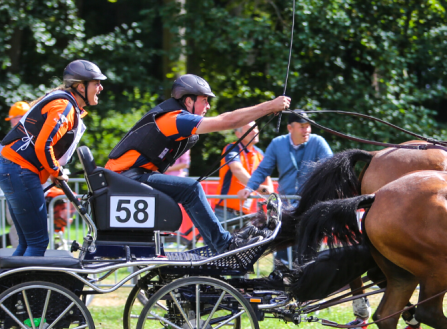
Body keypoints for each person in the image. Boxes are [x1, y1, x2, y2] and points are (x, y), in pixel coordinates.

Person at [105, 74, 291, 254]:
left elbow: (227, 117)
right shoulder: (174, 119)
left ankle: (218, 247)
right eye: (205, 100)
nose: (208, 106)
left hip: (126, 178)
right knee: (191, 189)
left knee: (189, 190)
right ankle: (224, 246)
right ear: (188, 101)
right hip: (123, 179)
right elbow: (227, 120)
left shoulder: (175, 118)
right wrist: (269, 106)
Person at [0, 59, 106, 256]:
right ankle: (29, 287)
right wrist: (56, 171)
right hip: (19, 170)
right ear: (81, 87)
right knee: (38, 243)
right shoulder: (64, 106)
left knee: (26, 243)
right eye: (96, 83)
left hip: (13, 168)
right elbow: (43, 145)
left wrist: (52, 171)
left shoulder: (66, 104)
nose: (101, 87)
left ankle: (14, 286)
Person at [237, 110, 333, 265]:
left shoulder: (318, 142)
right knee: (282, 251)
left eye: (308, 126)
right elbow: (263, 169)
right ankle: (280, 282)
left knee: (307, 253)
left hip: (310, 206)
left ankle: (307, 279)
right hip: (286, 209)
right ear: (290, 128)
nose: (306, 130)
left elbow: (331, 167)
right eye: (302, 126)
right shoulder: (277, 143)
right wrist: (250, 187)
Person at [213, 122, 274, 224]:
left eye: (256, 128)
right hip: (225, 212)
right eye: (250, 129)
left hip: (247, 214)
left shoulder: (259, 153)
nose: (255, 131)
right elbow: (237, 169)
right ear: (238, 134)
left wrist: (271, 196)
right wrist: (257, 188)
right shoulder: (232, 148)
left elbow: (267, 178)